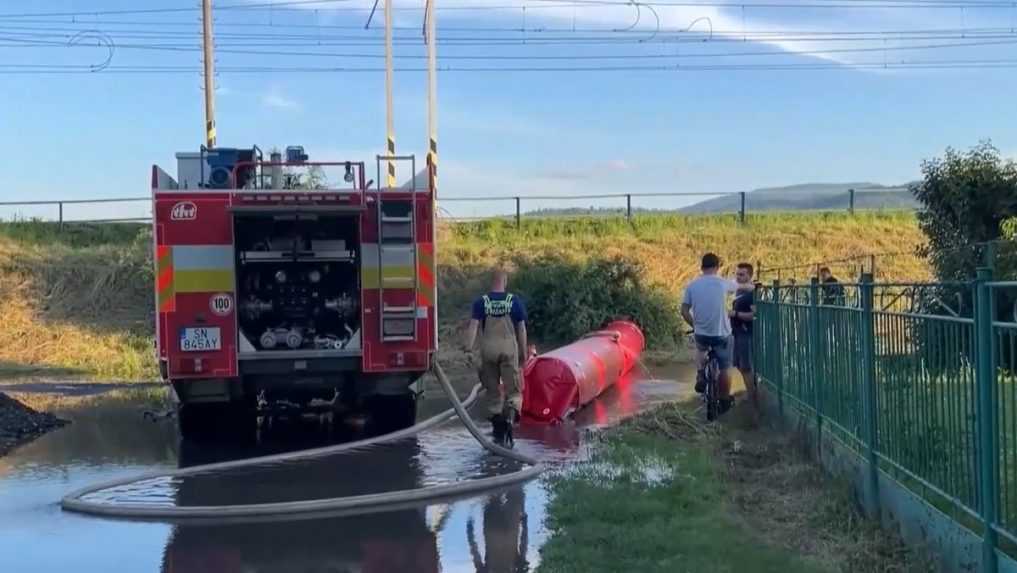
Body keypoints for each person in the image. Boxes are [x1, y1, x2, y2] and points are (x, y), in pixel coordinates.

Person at [465, 269, 528, 447]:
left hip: (488, 349)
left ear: (491, 282)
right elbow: (521, 329)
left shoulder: (481, 302)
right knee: (514, 392)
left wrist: (468, 350)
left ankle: (498, 435)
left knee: (493, 393)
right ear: (505, 281)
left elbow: (473, 327)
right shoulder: (514, 301)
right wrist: (523, 354)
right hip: (509, 348)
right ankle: (509, 421)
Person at [681, 253, 748, 415]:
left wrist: (695, 325)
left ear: (702, 267)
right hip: (721, 334)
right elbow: (741, 286)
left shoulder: (692, 285)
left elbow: (684, 310)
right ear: (717, 267)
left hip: (702, 333)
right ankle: (724, 401)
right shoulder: (722, 283)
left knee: (700, 348)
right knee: (725, 368)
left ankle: (700, 375)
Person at [729, 262, 757, 410]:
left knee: (745, 367)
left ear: (750, 276)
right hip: (737, 333)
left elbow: (755, 314)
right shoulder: (739, 292)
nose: (738, 277)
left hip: (746, 333)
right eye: (737, 274)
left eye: (742, 274)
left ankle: (752, 397)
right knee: (738, 365)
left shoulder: (751, 293)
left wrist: (736, 314)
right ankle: (751, 391)